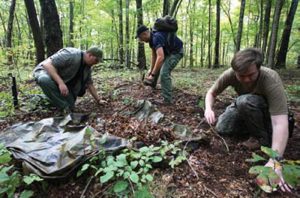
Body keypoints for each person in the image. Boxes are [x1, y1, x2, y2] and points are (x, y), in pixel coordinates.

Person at [204, 48, 291, 192]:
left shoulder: (270, 79)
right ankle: (252, 127)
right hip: (246, 107)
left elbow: (280, 122)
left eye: (250, 75)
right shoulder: (230, 74)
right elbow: (211, 92)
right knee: (222, 127)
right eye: (241, 76)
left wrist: (276, 161)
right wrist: (208, 108)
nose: (245, 79)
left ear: (259, 68)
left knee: (244, 101)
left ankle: (261, 138)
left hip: (268, 115)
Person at [33, 46, 104, 111]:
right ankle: (65, 108)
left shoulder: (87, 68)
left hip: (59, 79)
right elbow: (47, 64)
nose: (96, 63)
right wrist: (61, 83)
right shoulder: (71, 54)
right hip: (44, 71)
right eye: (96, 60)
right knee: (44, 80)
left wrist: (98, 100)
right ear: (89, 55)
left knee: (71, 105)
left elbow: (89, 84)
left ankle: (43, 98)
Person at [136, 25, 183, 105]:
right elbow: (155, 55)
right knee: (156, 68)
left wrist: (153, 74)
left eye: (140, 38)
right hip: (169, 53)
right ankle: (152, 85)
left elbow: (160, 57)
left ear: (144, 34)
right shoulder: (151, 40)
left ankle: (167, 100)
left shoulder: (156, 38)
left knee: (164, 73)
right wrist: (151, 70)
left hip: (176, 52)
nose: (141, 40)